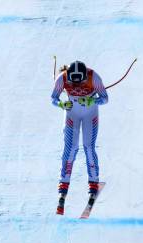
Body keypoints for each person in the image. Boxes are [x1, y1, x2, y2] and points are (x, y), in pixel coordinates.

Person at [51, 60, 108, 215]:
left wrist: (92, 100)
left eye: (80, 82)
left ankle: (93, 182)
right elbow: (53, 98)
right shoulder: (62, 78)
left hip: (90, 114)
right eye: (73, 82)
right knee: (71, 148)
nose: (76, 86)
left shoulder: (93, 77)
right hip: (72, 114)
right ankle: (63, 186)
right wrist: (61, 104)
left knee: (88, 147)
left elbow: (105, 98)